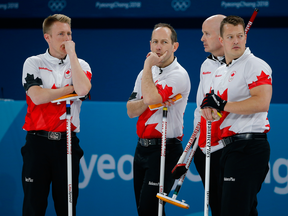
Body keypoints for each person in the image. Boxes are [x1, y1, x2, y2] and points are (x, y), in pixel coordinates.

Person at [200, 15, 272, 216]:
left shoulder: (255, 65)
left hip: (249, 146)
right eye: (230, 37)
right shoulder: (220, 71)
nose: (236, 41)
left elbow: (261, 103)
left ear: (245, 37)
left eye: (240, 35)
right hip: (227, 147)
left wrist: (222, 104)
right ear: (222, 41)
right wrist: (210, 108)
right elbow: (217, 110)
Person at [21, 14, 92, 216]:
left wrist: (73, 56)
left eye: (69, 33)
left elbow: (83, 90)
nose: (67, 38)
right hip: (37, 143)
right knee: (33, 207)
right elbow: (37, 96)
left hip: (67, 143)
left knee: (67, 208)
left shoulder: (81, 65)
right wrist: (68, 91)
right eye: (60, 34)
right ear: (47, 37)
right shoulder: (33, 62)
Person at [126, 23, 191, 216]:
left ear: (174, 46)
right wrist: (151, 98)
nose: (158, 47)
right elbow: (131, 110)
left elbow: (152, 99)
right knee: (144, 210)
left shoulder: (179, 74)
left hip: (166, 148)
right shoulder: (145, 74)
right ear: (150, 44)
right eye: (155, 42)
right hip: (142, 148)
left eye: (164, 42)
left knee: (149, 210)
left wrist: (147, 68)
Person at [193, 14, 226, 216]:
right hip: (205, 148)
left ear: (222, 36)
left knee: (238, 206)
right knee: (216, 205)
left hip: (229, 145)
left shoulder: (242, 64)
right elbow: (200, 108)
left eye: (206, 34)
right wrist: (195, 144)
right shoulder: (206, 65)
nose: (202, 38)